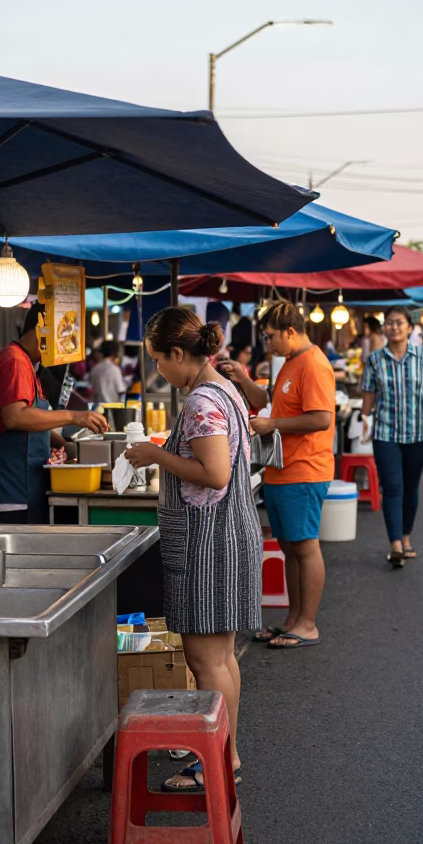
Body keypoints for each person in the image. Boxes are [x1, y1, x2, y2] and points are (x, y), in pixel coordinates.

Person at [124, 307, 262, 792]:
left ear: (180, 354)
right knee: (222, 658)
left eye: (159, 360)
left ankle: (216, 762)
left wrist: (155, 454)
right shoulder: (225, 388)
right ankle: (226, 756)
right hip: (228, 534)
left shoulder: (203, 400)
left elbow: (216, 474)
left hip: (210, 541)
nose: (158, 370)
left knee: (207, 661)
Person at [220, 300, 336, 650]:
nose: (266, 343)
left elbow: (321, 418)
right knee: (290, 547)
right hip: (281, 468)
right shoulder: (289, 362)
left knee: (305, 546)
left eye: (270, 336)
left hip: (305, 469)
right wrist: (242, 377)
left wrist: (273, 424)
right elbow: (268, 400)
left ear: (290, 331)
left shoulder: (314, 364)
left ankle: (308, 624)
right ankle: (293, 619)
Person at [0, 302, 107, 525]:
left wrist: (65, 444)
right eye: (62, 338)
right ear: (41, 330)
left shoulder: (29, 365)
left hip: (26, 488)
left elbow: (34, 421)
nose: (63, 348)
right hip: (7, 492)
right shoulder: (14, 361)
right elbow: (16, 416)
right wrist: (74, 416)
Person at [361, 306, 423, 568]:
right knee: (393, 487)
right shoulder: (375, 360)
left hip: (419, 433)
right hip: (386, 433)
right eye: (389, 323)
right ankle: (395, 544)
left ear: (410, 327)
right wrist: (364, 419)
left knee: (411, 488)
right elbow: (369, 395)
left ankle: (406, 537)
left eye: (399, 323)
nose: (393, 327)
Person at [89, 340, 128, 404]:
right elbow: (121, 391)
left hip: (98, 408)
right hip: (113, 408)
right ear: (115, 354)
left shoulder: (94, 369)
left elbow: (92, 389)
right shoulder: (115, 369)